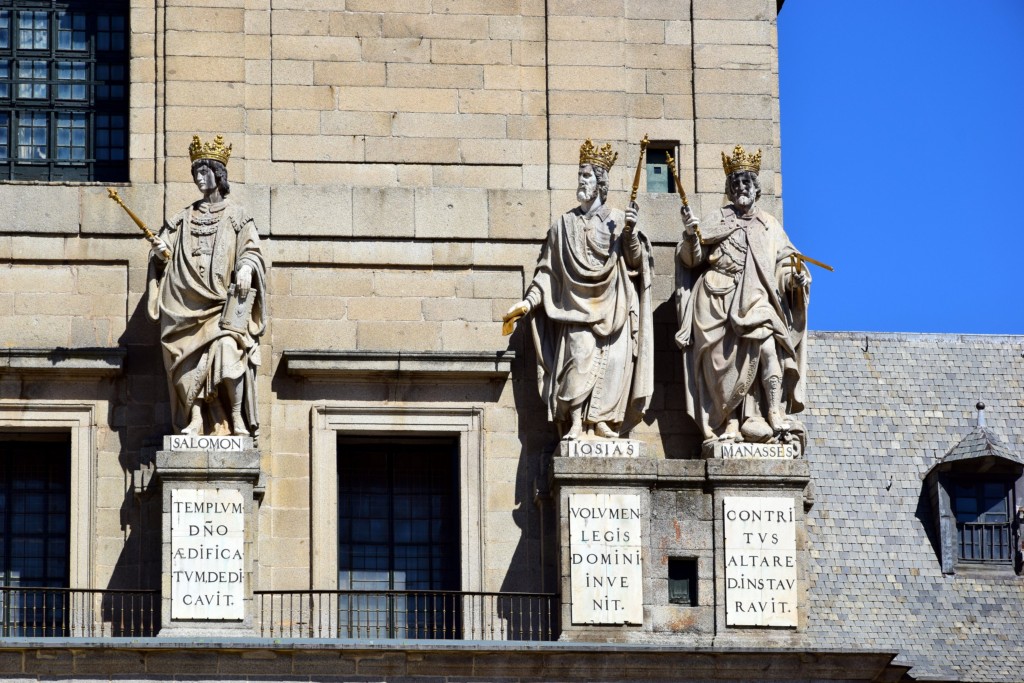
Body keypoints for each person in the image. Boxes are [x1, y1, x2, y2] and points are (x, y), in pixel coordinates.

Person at [504, 139, 654, 440]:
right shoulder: (563, 225)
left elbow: (636, 262)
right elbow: (547, 272)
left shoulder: (617, 221)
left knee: (612, 363)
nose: (581, 182)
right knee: (579, 355)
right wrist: (529, 302)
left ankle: (600, 421)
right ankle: (575, 422)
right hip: (575, 308)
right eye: (579, 176)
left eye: (586, 176)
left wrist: (631, 234)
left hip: (615, 307)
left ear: (600, 183)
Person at [675, 145, 808, 449]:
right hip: (716, 299)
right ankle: (730, 421)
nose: (740, 188)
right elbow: (691, 259)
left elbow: (787, 262)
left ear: (756, 188)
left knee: (769, 347)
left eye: (746, 182)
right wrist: (690, 235)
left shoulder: (769, 226)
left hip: (756, 299)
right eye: (735, 184)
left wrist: (795, 279)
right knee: (723, 368)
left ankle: (773, 411)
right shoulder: (717, 219)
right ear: (729, 189)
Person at [147, 135, 267, 441]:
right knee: (185, 360)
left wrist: (246, 268)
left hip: (222, 307)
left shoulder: (238, 217)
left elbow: (252, 251)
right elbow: (163, 252)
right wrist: (160, 253)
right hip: (185, 309)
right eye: (196, 173)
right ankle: (196, 419)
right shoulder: (181, 220)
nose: (200, 178)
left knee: (227, 351)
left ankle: (236, 418)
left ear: (218, 174)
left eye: (205, 172)